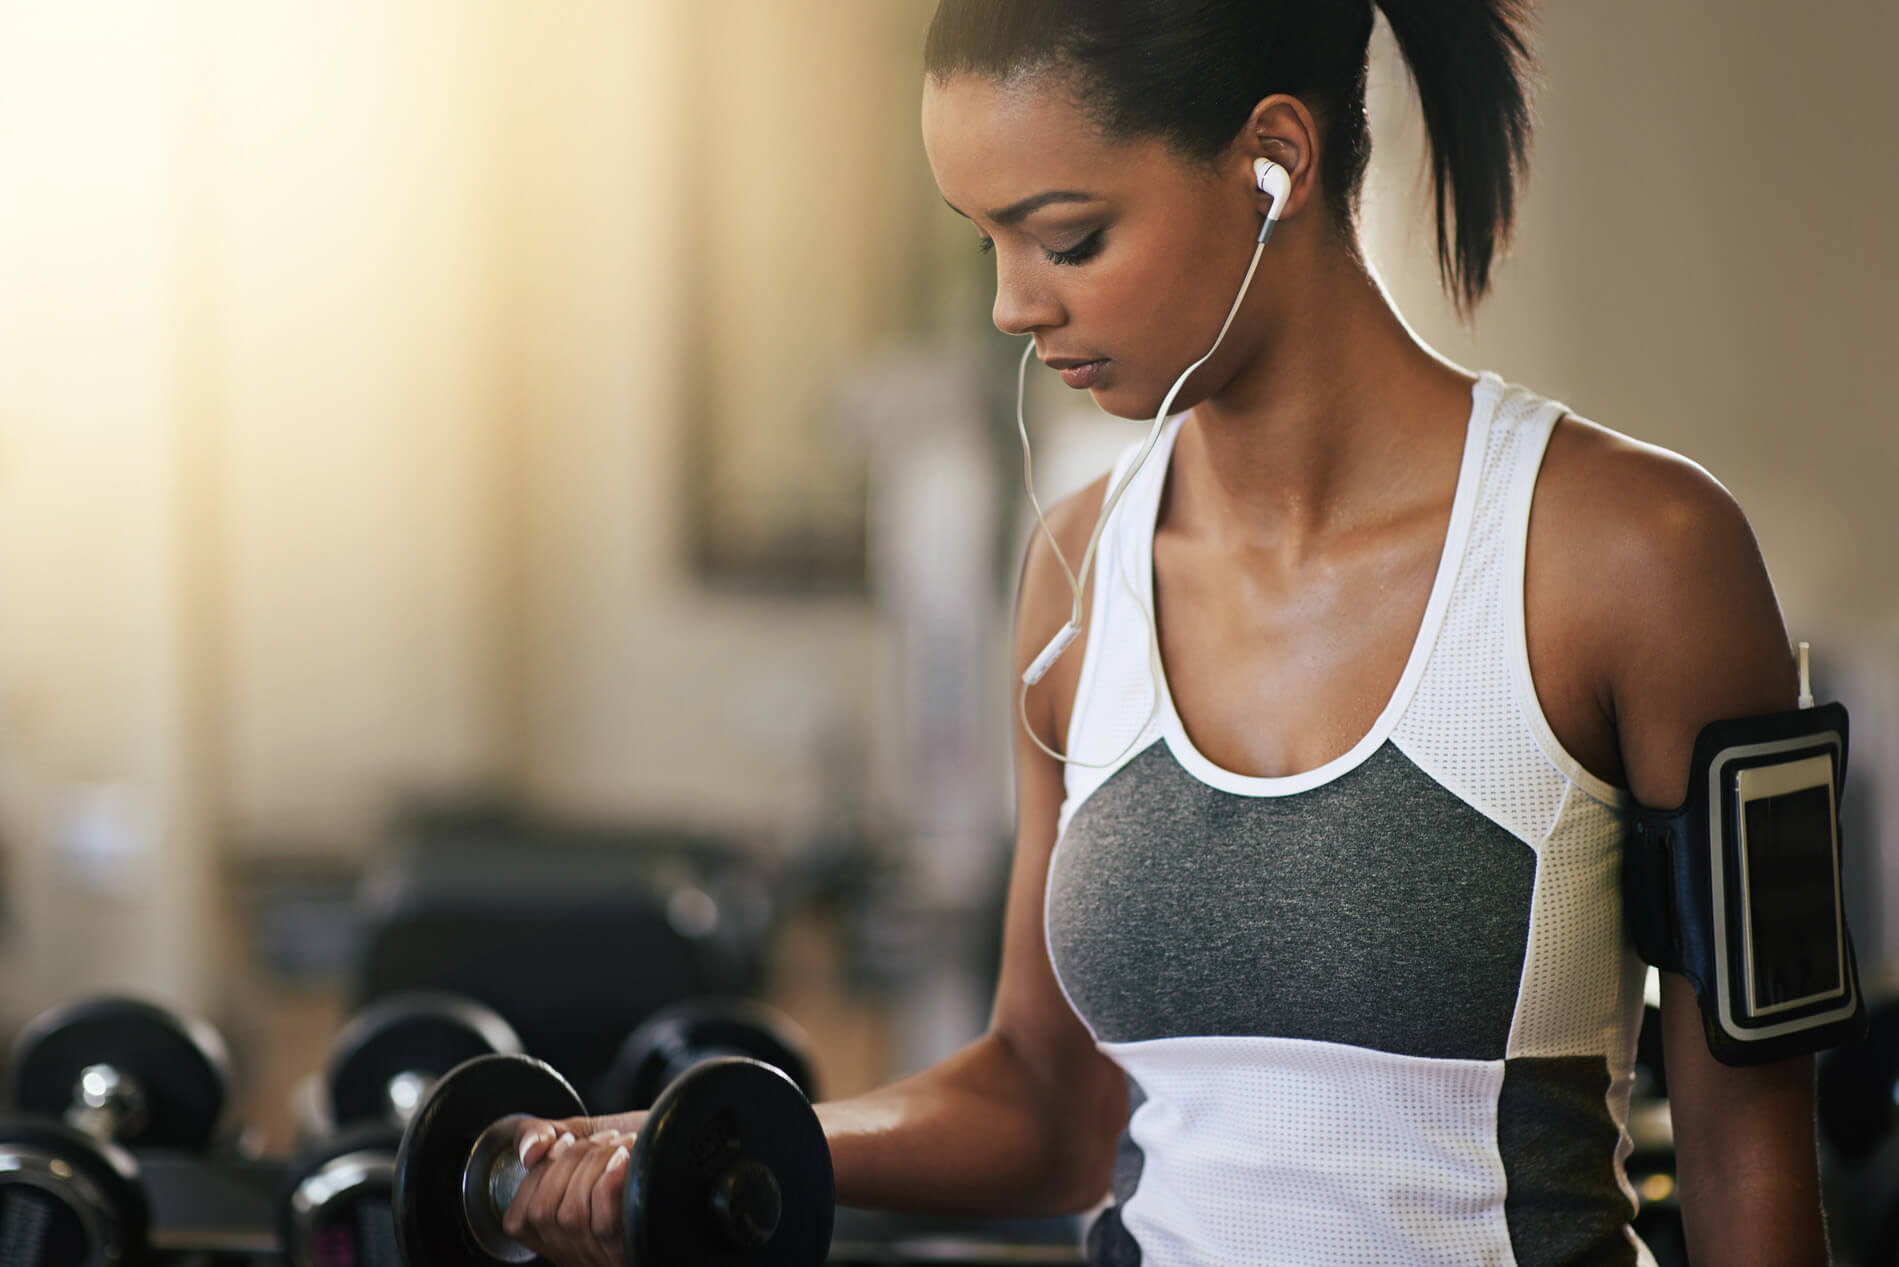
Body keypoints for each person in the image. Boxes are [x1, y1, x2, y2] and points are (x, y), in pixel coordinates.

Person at [500, 1, 1831, 1263]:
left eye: (1066, 238)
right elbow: (1040, 1105)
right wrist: (668, 1146)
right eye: (988, 243)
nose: (1019, 305)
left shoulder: (1640, 557)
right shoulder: (1076, 571)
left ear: (1273, 160)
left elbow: (1751, 1144)